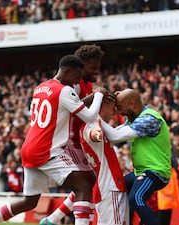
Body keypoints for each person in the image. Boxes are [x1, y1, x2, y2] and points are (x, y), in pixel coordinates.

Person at [0, 54, 105, 225]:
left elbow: (64, 107)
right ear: (66, 71)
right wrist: (99, 95)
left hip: (29, 148)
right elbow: (89, 116)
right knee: (84, 186)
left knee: (29, 202)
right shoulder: (65, 90)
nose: (76, 82)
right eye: (76, 77)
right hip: (47, 150)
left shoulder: (41, 87)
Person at [40, 44, 105, 225]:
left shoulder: (87, 84)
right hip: (68, 139)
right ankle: (61, 219)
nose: (96, 72)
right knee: (87, 182)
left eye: (98, 68)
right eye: (92, 68)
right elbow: (71, 111)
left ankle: (53, 219)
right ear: (81, 65)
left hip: (78, 138)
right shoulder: (73, 86)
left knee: (89, 181)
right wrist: (95, 97)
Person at [100, 88, 172, 225]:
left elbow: (115, 136)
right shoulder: (133, 120)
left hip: (156, 172)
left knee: (135, 198)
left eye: (120, 107)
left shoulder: (150, 119)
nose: (119, 112)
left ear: (132, 104)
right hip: (141, 172)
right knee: (117, 188)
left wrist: (93, 116)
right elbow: (113, 135)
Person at [79, 95, 129, 225]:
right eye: (112, 107)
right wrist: (97, 134)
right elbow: (93, 134)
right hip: (110, 187)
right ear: (102, 107)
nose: (114, 112)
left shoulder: (92, 125)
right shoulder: (92, 124)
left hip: (106, 187)